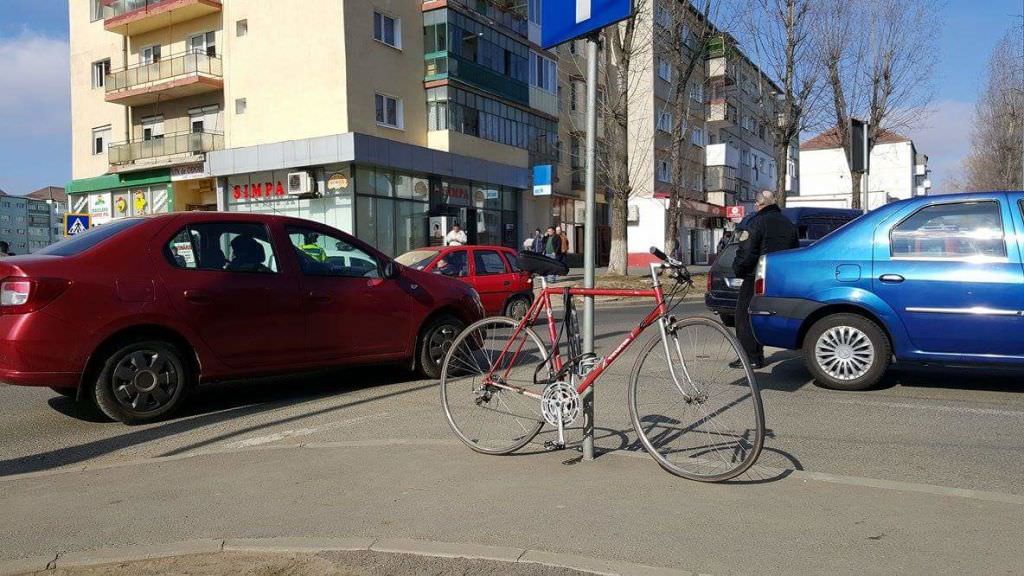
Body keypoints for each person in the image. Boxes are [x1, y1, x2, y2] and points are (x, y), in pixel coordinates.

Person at [731, 190, 799, 369]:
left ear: (759, 204)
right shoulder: (788, 223)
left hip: (755, 276)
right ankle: (758, 353)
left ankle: (750, 357)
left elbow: (747, 252)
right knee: (767, 315)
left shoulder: (756, 222)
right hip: (779, 278)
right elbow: (794, 252)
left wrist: (738, 269)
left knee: (744, 316)